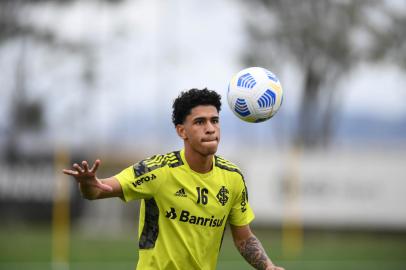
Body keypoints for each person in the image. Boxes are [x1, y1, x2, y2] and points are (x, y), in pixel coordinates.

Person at [63, 88, 284, 270]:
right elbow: (100, 190)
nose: (210, 129)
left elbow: (244, 238)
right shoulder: (159, 170)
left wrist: (268, 267)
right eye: (200, 122)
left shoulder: (232, 177)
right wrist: (88, 184)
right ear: (182, 131)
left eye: (214, 121)